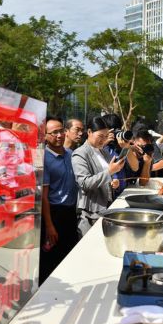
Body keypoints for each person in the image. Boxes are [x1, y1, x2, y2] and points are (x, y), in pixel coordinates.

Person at [40, 118, 79, 284]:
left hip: (71, 212)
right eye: (53, 132)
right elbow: (44, 196)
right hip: (54, 213)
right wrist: (49, 226)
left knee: (69, 255)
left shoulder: (71, 154)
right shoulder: (44, 159)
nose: (59, 135)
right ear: (45, 136)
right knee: (51, 259)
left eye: (61, 130)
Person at [72, 117, 125, 238]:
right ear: (89, 132)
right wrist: (109, 172)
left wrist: (113, 182)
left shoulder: (103, 151)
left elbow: (105, 176)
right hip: (90, 213)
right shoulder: (80, 153)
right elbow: (84, 183)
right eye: (100, 136)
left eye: (106, 136)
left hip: (106, 208)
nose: (103, 140)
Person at [101, 113, 139, 197]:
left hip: (121, 195)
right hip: (103, 197)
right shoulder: (99, 147)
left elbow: (135, 167)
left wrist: (126, 147)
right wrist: (104, 143)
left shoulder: (122, 146)